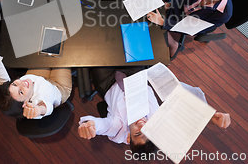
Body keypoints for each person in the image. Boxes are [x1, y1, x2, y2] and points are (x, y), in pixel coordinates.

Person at [77, 67, 231, 157]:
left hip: (108, 80)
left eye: (138, 133)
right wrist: (211, 118)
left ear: (128, 137)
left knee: (101, 48)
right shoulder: (158, 120)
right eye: (148, 130)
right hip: (136, 73)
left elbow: (104, 125)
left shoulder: (118, 130)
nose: (142, 125)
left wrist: (91, 125)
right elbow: (185, 116)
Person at [0, 50, 72, 119]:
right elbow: (47, 108)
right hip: (59, 88)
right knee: (63, 56)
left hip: (38, 76)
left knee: (44, 50)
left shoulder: (10, 90)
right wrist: (39, 110)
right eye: (21, 92)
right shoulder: (33, 107)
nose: (22, 84)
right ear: (26, 103)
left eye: (14, 84)